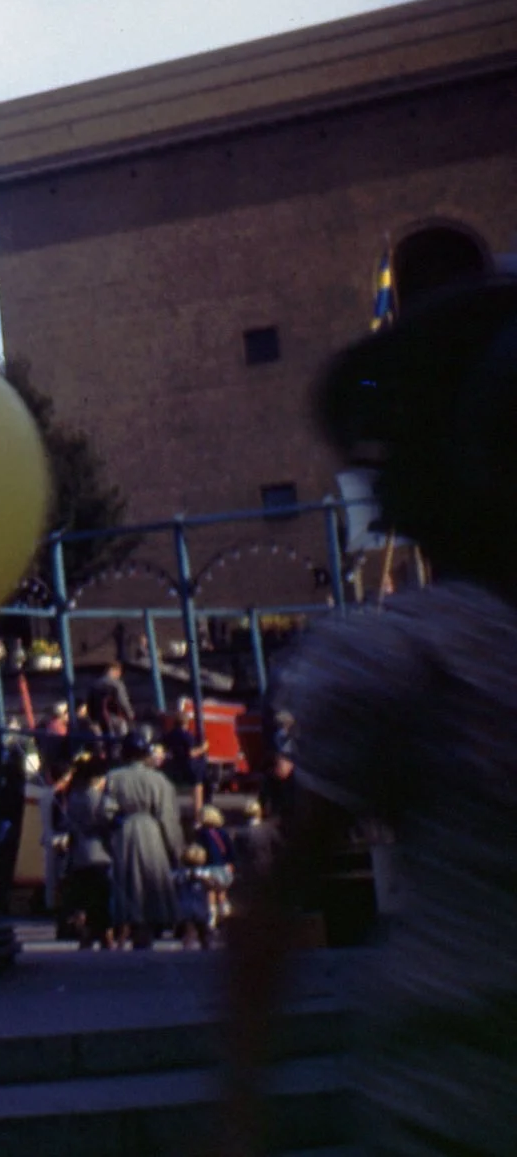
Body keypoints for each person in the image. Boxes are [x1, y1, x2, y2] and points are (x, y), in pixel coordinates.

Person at [221, 273, 517, 1154]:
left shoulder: (407, 653)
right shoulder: (412, 658)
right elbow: (281, 889)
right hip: (455, 1094)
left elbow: (276, 893)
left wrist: (238, 1105)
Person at [104, 735, 184, 947]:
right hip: (151, 830)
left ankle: (130, 925)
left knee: (129, 879)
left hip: (125, 830)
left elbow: (107, 811)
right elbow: (167, 816)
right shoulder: (158, 780)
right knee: (152, 878)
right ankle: (149, 926)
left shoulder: (113, 777)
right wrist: (176, 848)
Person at [54, 754, 116, 949]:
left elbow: (66, 823)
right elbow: (108, 820)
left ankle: (86, 935)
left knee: (84, 896)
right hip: (98, 852)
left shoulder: (73, 798)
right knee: (100, 897)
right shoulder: (98, 798)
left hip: (79, 854)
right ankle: (104, 935)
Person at [84, 662, 135, 738]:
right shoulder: (116, 684)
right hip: (116, 718)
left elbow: (89, 703)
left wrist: (92, 719)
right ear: (116, 671)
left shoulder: (94, 685)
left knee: (105, 742)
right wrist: (130, 714)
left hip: (99, 719)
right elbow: (122, 701)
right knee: (121, 739)